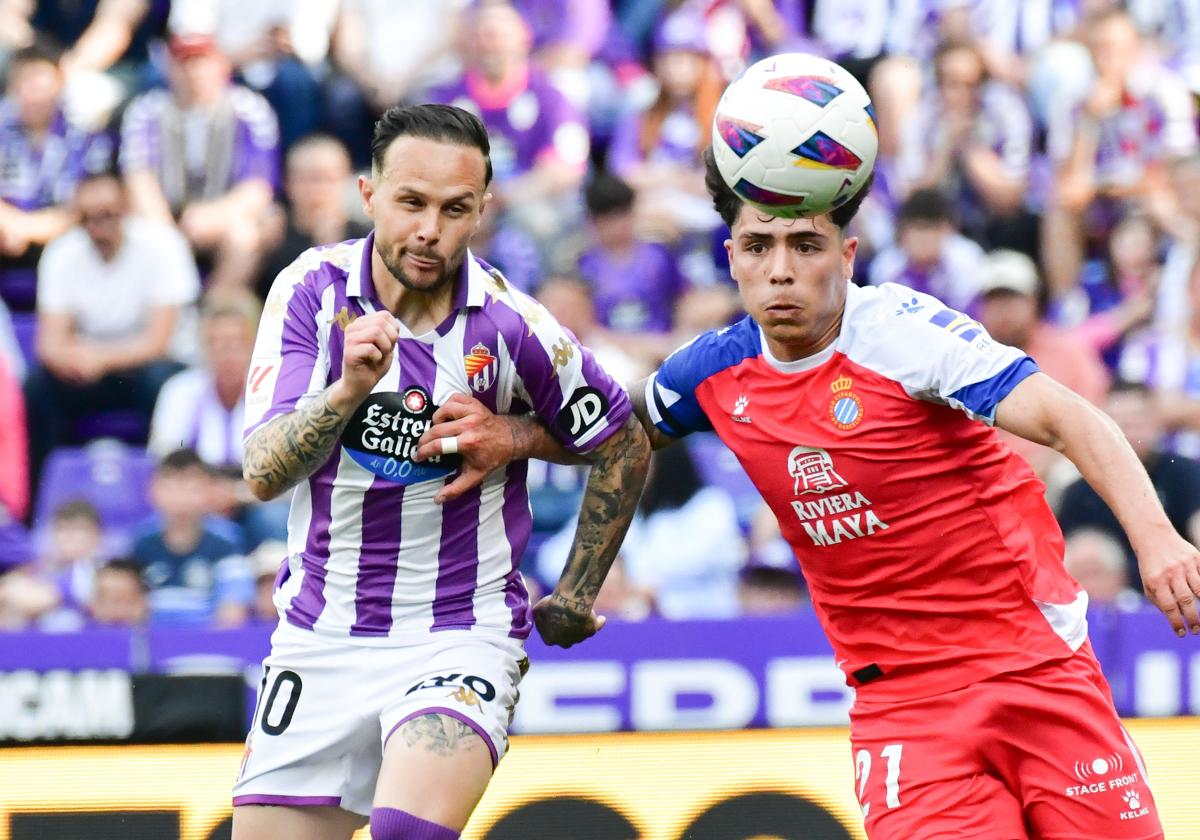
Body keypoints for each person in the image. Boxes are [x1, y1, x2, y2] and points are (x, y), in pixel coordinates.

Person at [422, 146, 1200, 839]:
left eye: (806, 245)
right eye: (759, 246)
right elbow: (622, 433)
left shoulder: (904, 337)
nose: (782, 268)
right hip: (905, 708)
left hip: (1032, 662)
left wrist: (1157, 538)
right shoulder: (714, 370)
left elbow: (1070, 418)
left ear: (848, 254)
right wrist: (523, 444)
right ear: (731, 257)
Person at [232, 103, 649, 840]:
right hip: (319, 634)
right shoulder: (311, 293)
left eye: (456, 209)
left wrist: (573, 587)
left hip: (457, 631)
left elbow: (624, 440)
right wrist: (349, 390)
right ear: (369, 196)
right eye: (411, 202)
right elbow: (262, 472)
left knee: (407, 833)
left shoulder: (513, 324)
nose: (430, 229)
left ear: (482, 211)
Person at [24, 170, 199, 489]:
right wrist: (76, 360)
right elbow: (48, 345)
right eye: (87, 218)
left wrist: (100, 359)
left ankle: (163, 492)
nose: (97, 227)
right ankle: (41, 498)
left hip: (148, 366)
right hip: (88, 369)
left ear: (127, 210)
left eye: (107, 215)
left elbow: (159, 342)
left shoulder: (163, 245)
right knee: (37, 387)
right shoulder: (62, 252)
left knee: (164, 382)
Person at [119, 31, 279, 290]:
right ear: (170, 69)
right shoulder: (145, 111)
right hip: (162, 215)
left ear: (221, 65)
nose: (195, 72)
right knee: (137, 234)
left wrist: (212, 217)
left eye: (202, 61)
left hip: (225, 212)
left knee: (244, 235)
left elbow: (257, 187)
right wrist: (168, 235)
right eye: (185, 63)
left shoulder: (250, 109)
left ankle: (214, 313)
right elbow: (139, 180)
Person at [133, 448, 252, 628]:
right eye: (172, 489)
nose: (182, 499)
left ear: (209, 491)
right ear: (154, 491)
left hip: (209, 646)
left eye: (192, 489)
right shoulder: (139, 542)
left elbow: (233, 613)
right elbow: (128, 611)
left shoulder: (227, 541)